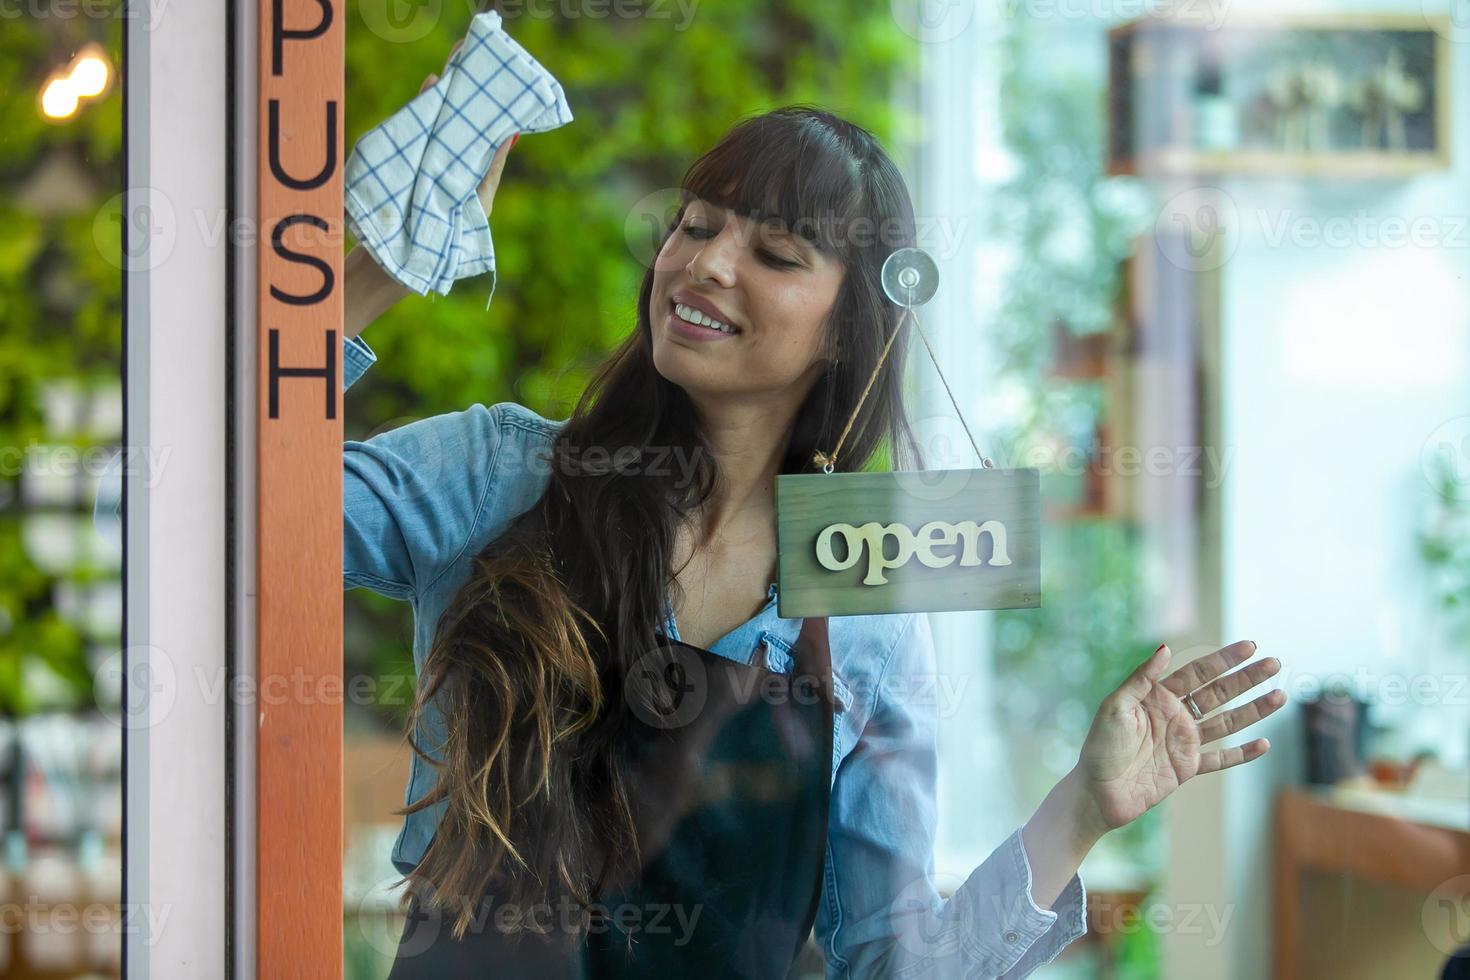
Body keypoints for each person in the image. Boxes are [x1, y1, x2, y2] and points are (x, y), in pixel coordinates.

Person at [334, 71, 1288, 974]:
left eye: (776, 255)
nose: (704, 265)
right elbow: (230, 515)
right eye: (695, 227)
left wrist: (1081, 808)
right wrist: (381, 265)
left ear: (847, 327)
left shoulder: (864, 606)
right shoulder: (496, 472)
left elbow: (888, 965)